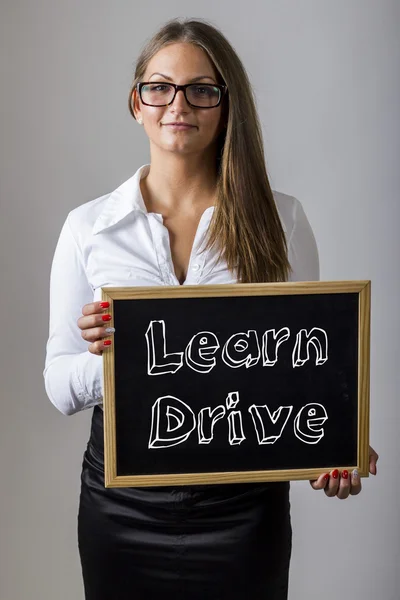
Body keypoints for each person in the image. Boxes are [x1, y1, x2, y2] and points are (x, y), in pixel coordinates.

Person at [43, 17, 378, 600]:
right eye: (160, 87)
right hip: (120, 507)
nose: (179, 104)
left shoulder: (282, 219)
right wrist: (114, 360)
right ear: (136, 103)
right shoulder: (88, 228)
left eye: (202, 89)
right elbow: (57, 383)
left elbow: (305, 373)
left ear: (227, 105)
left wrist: (335, 446)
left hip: (244, 510)